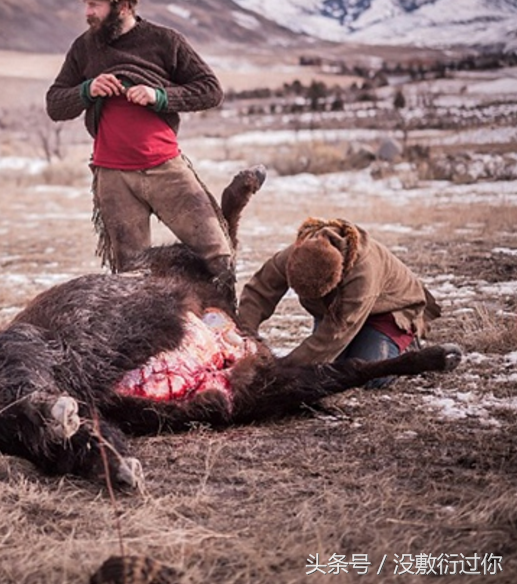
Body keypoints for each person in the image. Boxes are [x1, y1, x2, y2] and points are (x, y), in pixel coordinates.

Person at [45, 0, 235, 298]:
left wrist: (159, 96)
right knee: (131, 276)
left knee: (217, 257)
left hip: (166, 168)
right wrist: (87, 90)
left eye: (95, 4)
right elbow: (55, 103)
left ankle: (228, 331)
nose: (87, 12)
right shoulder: (83, 47)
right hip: (113, 178)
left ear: (122, 5)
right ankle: (146, 342)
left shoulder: (165, 40)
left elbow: (210, 90)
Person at [237, 218, 441, 388]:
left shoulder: (362, 274)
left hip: (388, 312)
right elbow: (258, 291)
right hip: (334, 311)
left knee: (368, 376)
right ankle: (360, 343)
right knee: (325, 368)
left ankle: (404, 348)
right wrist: (244, 336)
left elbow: (334, 334)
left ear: (335, 280)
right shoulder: (297, 254)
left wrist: (281, 371)